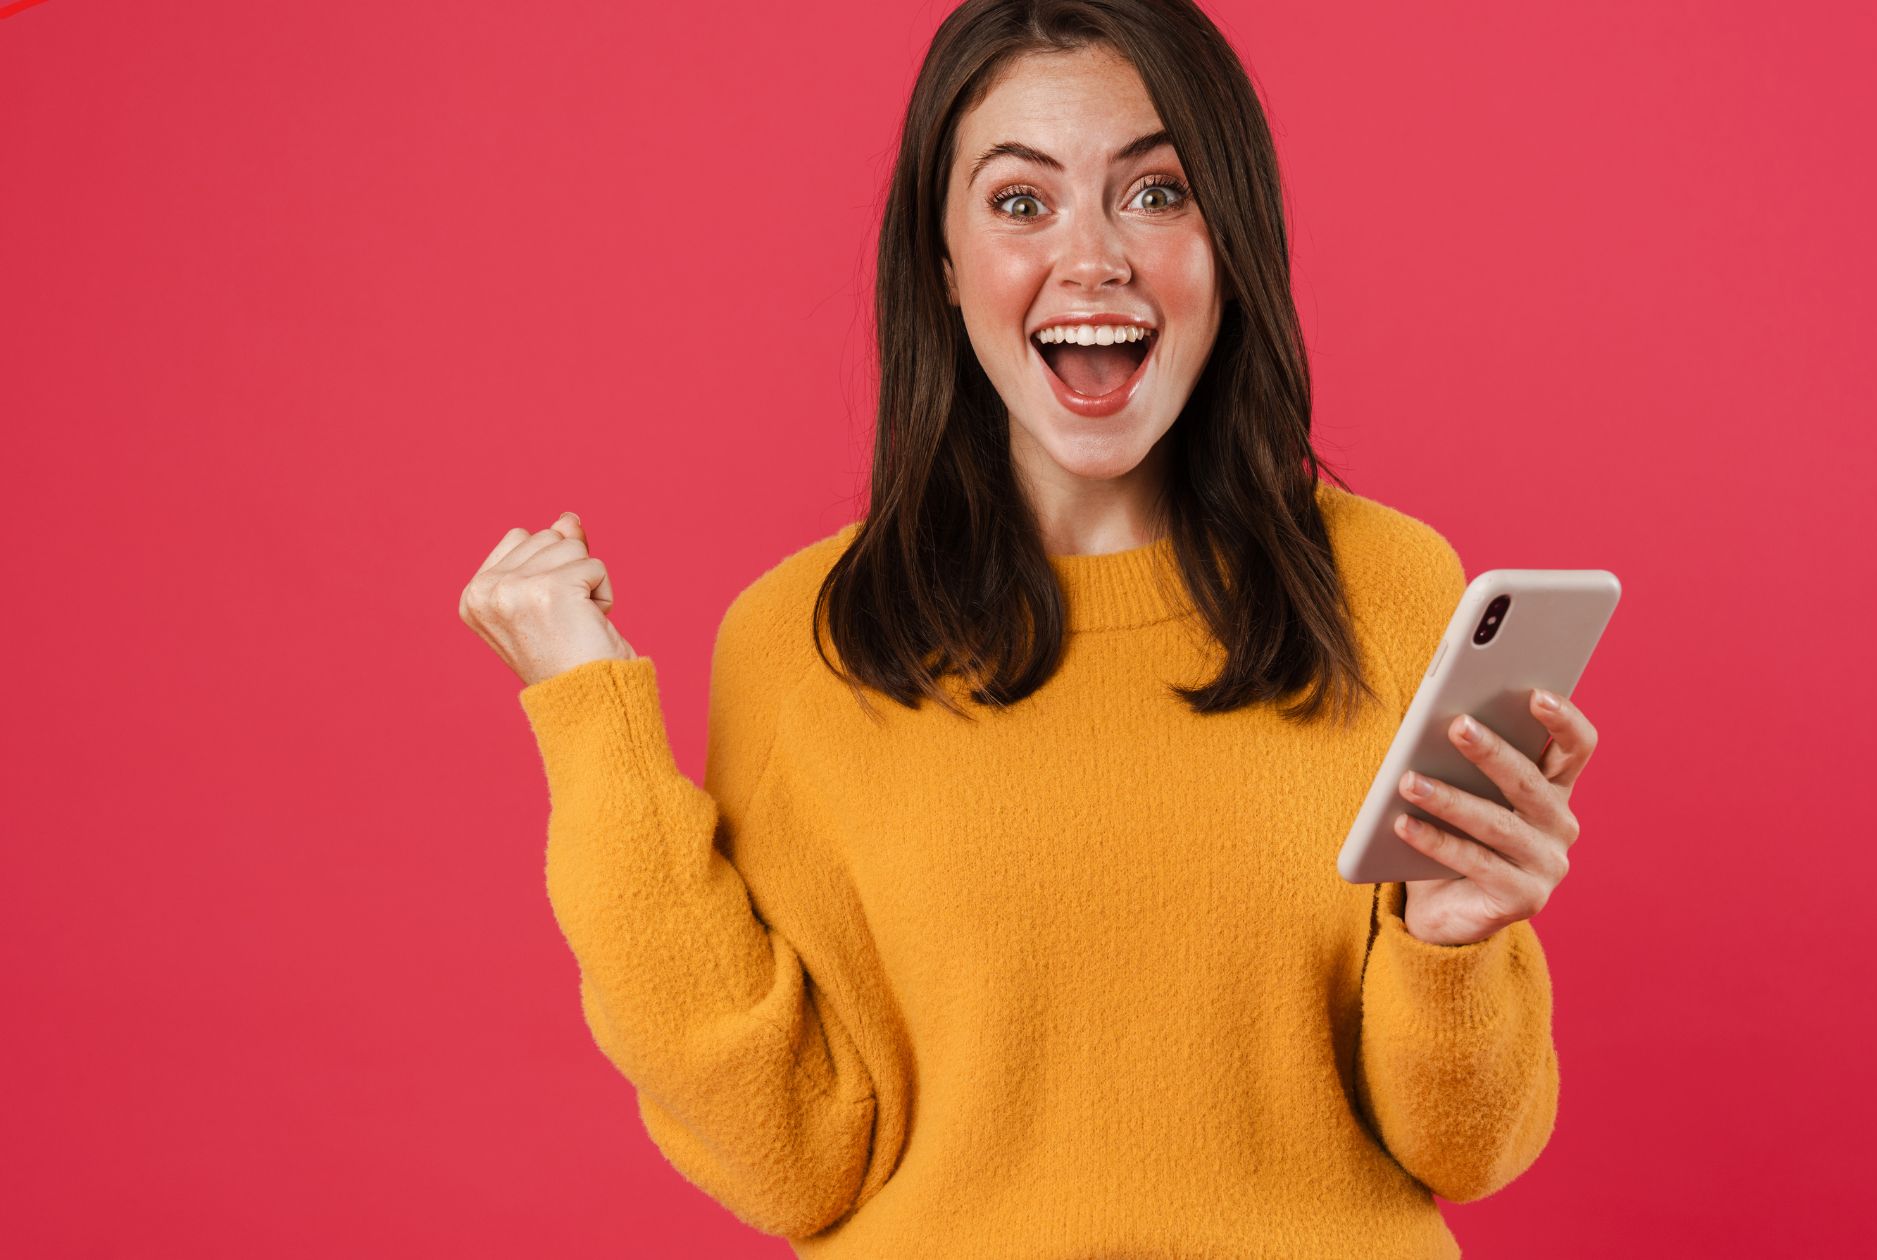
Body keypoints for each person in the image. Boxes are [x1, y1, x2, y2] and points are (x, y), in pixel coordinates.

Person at [457, 1, 1597, 1254]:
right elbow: (790, 1156)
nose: (1094, 257)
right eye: (1019, 203)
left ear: (1233, 243)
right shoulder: (805, 639)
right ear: (942, 265)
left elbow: (1466, 1149)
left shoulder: (1381, 589)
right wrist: (588, 716)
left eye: (1156, 193)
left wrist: (1451, 945)